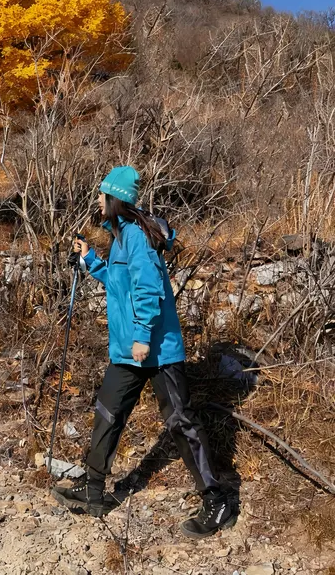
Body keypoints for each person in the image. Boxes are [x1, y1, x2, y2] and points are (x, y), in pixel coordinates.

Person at [52, 165, 235, 538]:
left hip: (155, 349)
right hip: (128, 351)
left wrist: (142, 337)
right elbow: (122, 287)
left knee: (181, 421)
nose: (98, 202)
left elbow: (150, 291)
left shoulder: (136, 237)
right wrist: (89, 260)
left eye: (102, 196)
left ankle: (218, 500)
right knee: (108, 410)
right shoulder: (120, 237)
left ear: (115, 199)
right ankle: (93, 490)